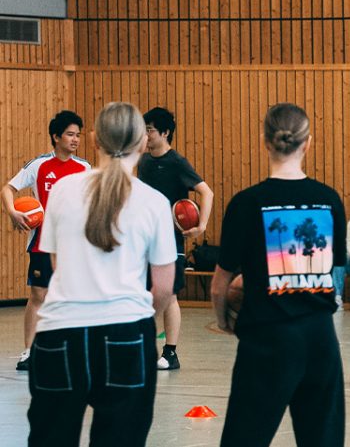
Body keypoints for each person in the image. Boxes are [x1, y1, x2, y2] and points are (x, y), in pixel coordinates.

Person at [27, 102, 176, 446]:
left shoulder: (63, 192)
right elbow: (164, 287)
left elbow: (55, 265)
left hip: (58, 335)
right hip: (126, 333)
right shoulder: (153, 201)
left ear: (95, 139)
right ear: (142, 143)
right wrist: (139, 318)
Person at [211, 103, 348, 446]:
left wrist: (224, 320)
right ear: (308, 143)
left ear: (264, 141)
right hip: (320, 340)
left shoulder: (246, 203)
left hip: (267, 341)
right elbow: (333, 266)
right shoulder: (328, 200)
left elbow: (219, 285)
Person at [3, 110, 90, 372]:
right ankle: (29, 351)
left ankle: (69, 349)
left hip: (74, 243)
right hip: (43, 241)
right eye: (70, 134)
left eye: (78, 135)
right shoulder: (39, 165)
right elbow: (8, 188)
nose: (75, 140)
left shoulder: (84, 168)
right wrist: (13, 212)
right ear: (56, 136)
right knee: (39, 294)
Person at [137, 106, 215, 371]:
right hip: (145, 238)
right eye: (144, 130)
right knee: (143, 294)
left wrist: (200, 226)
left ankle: (170, 353)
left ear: (165, 132)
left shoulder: (177, 162)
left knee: (168, 295)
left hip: (171, 240)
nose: (146, 135)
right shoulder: (144, 162)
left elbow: (207, 192)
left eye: (150, 130)